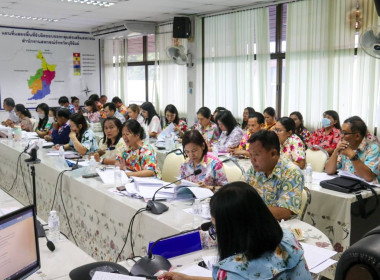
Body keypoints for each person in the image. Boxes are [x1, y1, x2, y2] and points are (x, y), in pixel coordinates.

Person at [158, 182, 312, 280]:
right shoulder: (288, 239)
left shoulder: (235, 270)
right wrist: (188, 278)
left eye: (216, 228)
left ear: (233, 230)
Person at [244, 130, 303, 220]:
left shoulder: (292, 172)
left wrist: (247, 211)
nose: (252, 159)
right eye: (250, 155)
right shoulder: (256, 169)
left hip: (281, 226)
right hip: (256, 221)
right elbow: (241, 191)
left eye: (256, 155)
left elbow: (284, 212)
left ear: (273, 154)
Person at [325, 116, 380, 183]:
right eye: (341, 132)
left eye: (345, 133)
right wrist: (336, 151)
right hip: (347, 185)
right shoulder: (345, 146)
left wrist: (353, 156)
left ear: (357, 136)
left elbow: (368, 177)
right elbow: (328, 171)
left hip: (366, 189)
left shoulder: (373, 149)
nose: (341, 136)